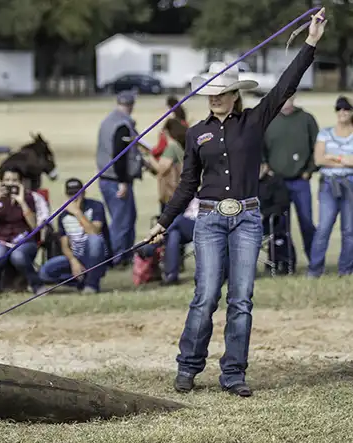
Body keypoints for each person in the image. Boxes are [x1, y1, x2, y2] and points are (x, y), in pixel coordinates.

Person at [145, 9, 325, 397]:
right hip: (209, 220)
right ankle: (188, 366)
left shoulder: (255, 121)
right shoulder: (196, 133)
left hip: (247, 219)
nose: (215, 98)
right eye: (210, 93)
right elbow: (187, 185)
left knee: (241, 299)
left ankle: (233, 373)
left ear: (234, 94)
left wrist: (311, 41)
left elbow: (286, 84)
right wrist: (164, 221)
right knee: (206, 295)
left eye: (222, 92)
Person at [262, 94, 319, 261]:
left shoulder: (306, 119)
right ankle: (284, 261)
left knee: (306, 223)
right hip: (277, 183)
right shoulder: (269, 120)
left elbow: (317, 146)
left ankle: (315, 262)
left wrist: (310, 170)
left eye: (288, 98)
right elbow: (260, 147)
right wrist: (266, 166)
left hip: (300, 181)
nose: (285, 102)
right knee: (279, 225)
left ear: (294, 98)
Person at [97, 90, 144, 267]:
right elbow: (120, 155)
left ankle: (124, 254)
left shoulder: (107, 121)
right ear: (131, 105)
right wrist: (123, 182)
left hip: (107, 177)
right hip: (116, 180)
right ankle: (117, 258)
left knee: (126, 217)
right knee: (122, 221)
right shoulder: (122, 125)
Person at [308, 95, 353, 278]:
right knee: (324, 227)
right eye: (339, 108)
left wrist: (334, 157)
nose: (343, 112)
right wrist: (345, 160)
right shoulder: (325, 133)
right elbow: (319, 159)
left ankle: (346, 269)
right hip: (328, 184)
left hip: (350, 184)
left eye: (346, 109)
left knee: (349, 230)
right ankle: (314, 269)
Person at [38, 178, 109, 293]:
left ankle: (91, 285)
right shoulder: (63, 216)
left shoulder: (96, 206)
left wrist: (77, 213)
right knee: (44, 272)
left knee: (95, 240)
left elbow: (94, 232)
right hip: (76, 255)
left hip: (95, 255)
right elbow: (65, 245)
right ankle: (81, 281)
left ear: (84, 192)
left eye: (77, 193)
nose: (74, 197)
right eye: (71, 194)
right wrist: (73, 261)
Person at [0, 164, 43, 295]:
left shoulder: (29, 197)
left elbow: (34, 226)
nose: (10, 184)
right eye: (7, 180)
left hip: (24, 239)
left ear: (21, 182)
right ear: (1, 182)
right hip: (0, 238)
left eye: (14, 180)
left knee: (18, 256)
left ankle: (36, 285)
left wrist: (22, 202)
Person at [138, 198, 197, 286]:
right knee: (173, 234)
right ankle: (171, 276)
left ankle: (150, 246)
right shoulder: (191, 193)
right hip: (185, 225)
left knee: (177, 220)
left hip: (201, 224)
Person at [140, 119, 187, 213]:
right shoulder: (178, 146)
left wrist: (150, 155)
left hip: (171, 195)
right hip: (180, 193)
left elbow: (161, 169)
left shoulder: (171, 147)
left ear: (166, 132)